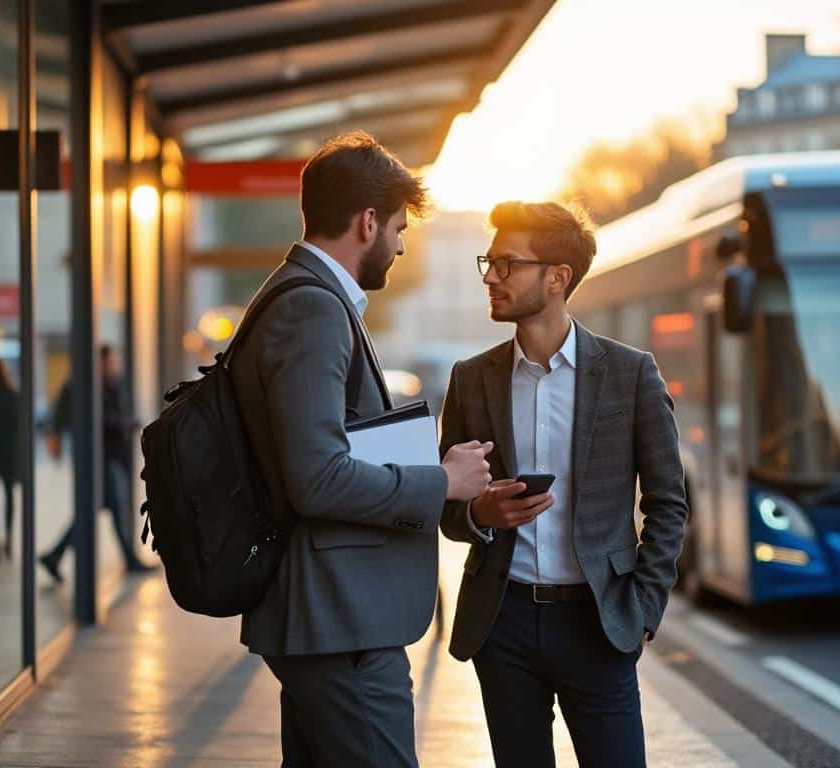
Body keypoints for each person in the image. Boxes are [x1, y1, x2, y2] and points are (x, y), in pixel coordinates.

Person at [229, 132, 492, 768]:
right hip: (338, 621)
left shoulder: (302, 298)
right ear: (367, 221)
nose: (402, 245)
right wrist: (442, 480)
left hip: (330, 617)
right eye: (399, 228)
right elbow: (316, 477)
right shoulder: (313, 311)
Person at [438, 201, 688, 768]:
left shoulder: (630, 374)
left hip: (598, 623)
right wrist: (479, 514)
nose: (490, 277)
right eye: (488, 262)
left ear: (557, 278)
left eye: (506, 264)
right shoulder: (471, 379)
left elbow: (668, 504)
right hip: (503, 624)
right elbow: (444, 506)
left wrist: (643, 610)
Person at [38, 344, 153, 581]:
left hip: (108, 458)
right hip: (101, 459)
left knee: (92, 512)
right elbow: (96, 421)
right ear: (100, 362)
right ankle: (129, 560)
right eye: (111, 360)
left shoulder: (108, 384)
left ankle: (54, 555)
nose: (115, 364)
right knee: (114, 511)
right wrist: (127, 424)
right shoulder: (86, 386)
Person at [0, 357, 21, 561]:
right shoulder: (12, 395)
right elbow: (17, 429)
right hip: (8, 454)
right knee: (9, 496)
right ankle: (8, 537)